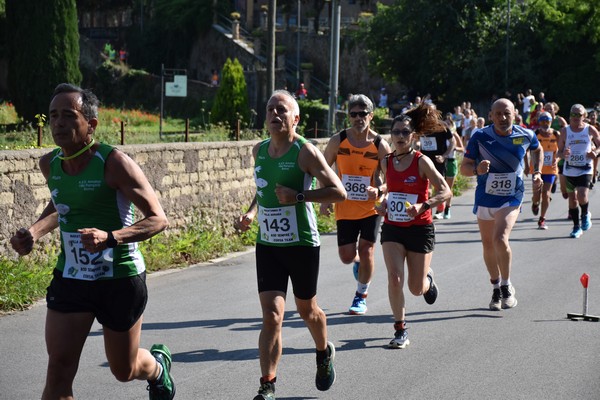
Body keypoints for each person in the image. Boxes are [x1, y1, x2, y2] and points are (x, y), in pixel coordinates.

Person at [9, 83, 174, 400]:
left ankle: (156, 368)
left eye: (68, 116)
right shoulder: (50, 164)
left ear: (91, 124)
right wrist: (34, 232)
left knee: (123, 370)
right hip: (72, 278)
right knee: (58, 370)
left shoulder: (114, 163)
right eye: (54, 115)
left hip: (120, 278)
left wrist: (111, 237)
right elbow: (63, 203)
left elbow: (158, 219)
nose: (58, 123)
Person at [234, 90, 346, 400]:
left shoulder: (305, 152)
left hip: (301, 244)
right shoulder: (258, 150)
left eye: (282, 110)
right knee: (271, 315)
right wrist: (250, 213)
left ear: (295, 118)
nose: (274, 114)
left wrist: (299, 196)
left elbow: (338, 192)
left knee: (307, 309)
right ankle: (267, 384)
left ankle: (323, 353)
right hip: (268, 244)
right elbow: (262, 190)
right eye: (270, 109)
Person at [375, 103, 452, 349]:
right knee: (395, 278)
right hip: (393, 227)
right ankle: (400, 329)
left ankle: (428, 278)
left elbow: (446, 190)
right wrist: (382, 202)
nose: (399, 136)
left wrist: (424, 205)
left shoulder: (422, 162)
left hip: (420, 228)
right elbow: (386, 189)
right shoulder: (386, 162)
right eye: (395, 132)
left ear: (413, 136)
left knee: (416, 288)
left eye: (404, 132)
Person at [460, 98, 543, 311]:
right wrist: (478, 169)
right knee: (488, 245)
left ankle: (506, 285)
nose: (502, 117)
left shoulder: (525, 135)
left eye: (506, 113)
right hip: (485, 197)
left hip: (511, 196)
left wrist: (537, 172)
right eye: (498, 113)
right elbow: (465, 167)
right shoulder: (480, 136)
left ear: (515, 114)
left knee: (500, 238)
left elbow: (537, 149)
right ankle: (495, 286)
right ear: (490, 115)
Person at [321, 94, 391, 315]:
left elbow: (392, 179)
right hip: (345, 207)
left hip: (371, 207)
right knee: (347, 256)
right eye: (354, 114)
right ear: (349, 117)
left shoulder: (380, 145)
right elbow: (323, 169)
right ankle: (358, 263)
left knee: (367, 249)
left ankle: (361, 295)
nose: (358, 118)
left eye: (363, 114)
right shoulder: (338, 140)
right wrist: (325, 198)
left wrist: (379, 191)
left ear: (371, 116)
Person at [557, 104, 600, 238]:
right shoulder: (565, 131)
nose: (575, 117)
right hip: (569, 169)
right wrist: (564, 154)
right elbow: (558, 152)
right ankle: (576, 227)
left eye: (579, 115)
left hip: (586, 168)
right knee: (573, 200)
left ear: (584, 116)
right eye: (573, 114)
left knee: (581, 194)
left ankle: (585, 214)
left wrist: (595, 152)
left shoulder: (589, 129)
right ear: (569, 116)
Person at [417, 103, 455, 218]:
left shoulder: (442, 126)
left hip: (438, 161)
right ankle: (427, 213)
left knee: (439, 188)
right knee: (425, 188)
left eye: (431, 112)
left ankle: (442, 208)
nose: (428, 115)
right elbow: (417, 140)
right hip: (423, 161)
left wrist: (444, 156)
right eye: (426, 113)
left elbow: (453, 142)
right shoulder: (421, 126)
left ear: (435, 113)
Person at [527, 111, 559, 229]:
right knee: (537, 195)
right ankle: (535, 203)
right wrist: (525, 165)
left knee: (546, 194)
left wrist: (558, 158)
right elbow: (526, 150)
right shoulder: (535, 134)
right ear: (539, 122)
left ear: (551, 122)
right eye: (543, 121)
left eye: (548, 121)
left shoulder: (556, 134)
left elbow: (562, 149)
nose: (545, 124)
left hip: (550, 169)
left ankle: (542, 219)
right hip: (537, 169)